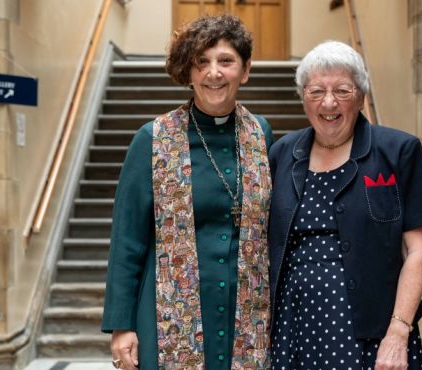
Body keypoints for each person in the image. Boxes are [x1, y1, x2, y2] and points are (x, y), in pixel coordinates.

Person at [101, 14, 273, 370]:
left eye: (225, 61)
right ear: (189, 72)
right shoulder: (152, 139)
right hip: (168, 317)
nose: (213, 73)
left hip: (248, 314)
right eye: (202, 63)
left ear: (245, 70)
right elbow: (127, 240)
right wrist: (121, 325)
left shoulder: (261, 133)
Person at [267, 41, 422, 370]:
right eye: (316, 91)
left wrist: (399, 332)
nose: (329, 102)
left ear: (361, 95)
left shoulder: (398, 150)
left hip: (372, 328)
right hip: (296, 322)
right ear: (304, 97)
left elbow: (417, 251)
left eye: (342, 90)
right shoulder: (283, 153)